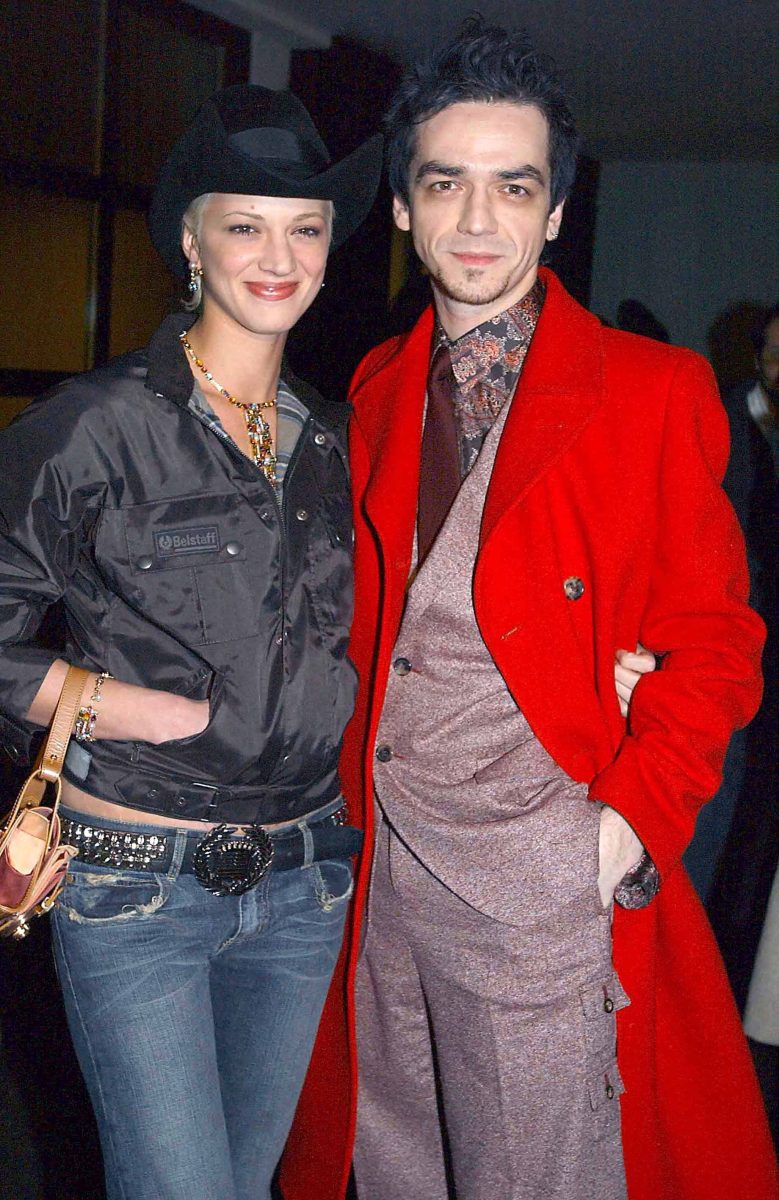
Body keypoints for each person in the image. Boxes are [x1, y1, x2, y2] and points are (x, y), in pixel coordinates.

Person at [281, 19, 778, 1200]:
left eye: (512, 186)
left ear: (554, 211)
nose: (475, 219)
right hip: (379, 883)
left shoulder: (651, 392)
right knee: (394, 1174)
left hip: (536, 885)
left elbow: (717, 645)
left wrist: (617, 832)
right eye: (442, 182)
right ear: (401, 206)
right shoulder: (376, 389)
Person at [0, 85, 382, 1200]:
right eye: (245, 225)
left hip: (306, 883)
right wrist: (112, 702)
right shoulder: (95, 424)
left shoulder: (338, 442)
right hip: (138, 888)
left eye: (305, 229)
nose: (279, 257)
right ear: (190, 241)